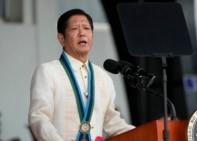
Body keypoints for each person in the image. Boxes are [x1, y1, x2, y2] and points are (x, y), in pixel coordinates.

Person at [28, 9, 135, 141]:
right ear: (61, 38)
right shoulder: (47, 72)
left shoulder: (102, 76)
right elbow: (39, 117)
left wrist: (146, 132)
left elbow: (112, 122)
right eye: (74, 28)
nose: (82, 33)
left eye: (86, 28)